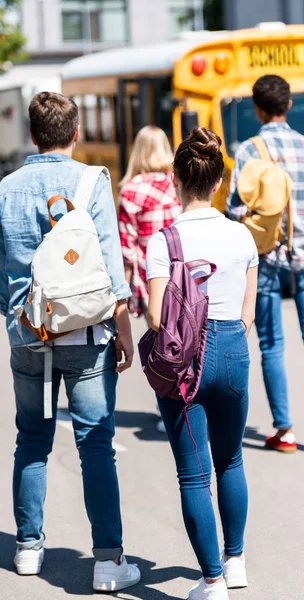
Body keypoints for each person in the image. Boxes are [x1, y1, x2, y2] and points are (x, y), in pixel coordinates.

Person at [0, 92, 140, 591]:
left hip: (27, 336)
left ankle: (28, 549)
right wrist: (124, 330)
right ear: (75, 132)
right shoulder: (91, 181)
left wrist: (15, 316)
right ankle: (107, 561)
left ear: (32, 134)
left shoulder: (6, 189)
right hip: (86, 334)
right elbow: (108, 259)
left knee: (32, 440)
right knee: (95, 445)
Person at [146, 127, 258, 600]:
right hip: (233, 346)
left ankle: (211, 582)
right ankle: (235, 561)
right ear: (218, 182)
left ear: (175, 179)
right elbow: (248, 314)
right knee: (230, 458)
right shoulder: (241, 236)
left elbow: (154, 315)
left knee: (194, 475)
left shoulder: (162, 241)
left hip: (184, 360)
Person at [227, 74, 304, 458]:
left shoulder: (250, 151)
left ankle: (285, 431)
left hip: (267, 259)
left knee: (272, 345)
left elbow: (235, 210)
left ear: (257, 108)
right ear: (289, 105)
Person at [118, 125, 181, 318]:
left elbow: (127, 251)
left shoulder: (130, 191)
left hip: (150, 282)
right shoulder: (179, 184)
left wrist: (122, 301)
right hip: (183, 276)